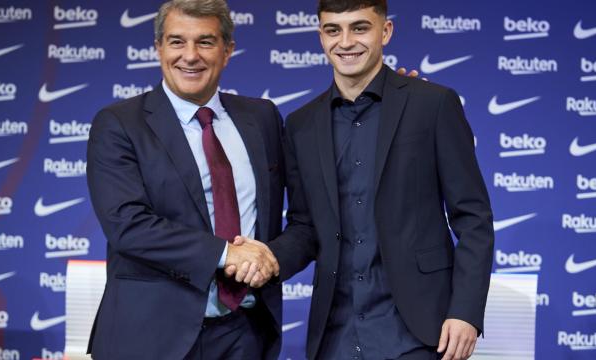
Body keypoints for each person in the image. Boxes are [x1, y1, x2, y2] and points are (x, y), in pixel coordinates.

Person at [234, 1, 495, 359]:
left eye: (359, 28)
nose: (345, 42)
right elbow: (305, 227)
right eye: (333, 30)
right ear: (320, 37)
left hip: (418, 333)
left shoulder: (432, 105)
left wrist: (464, 312)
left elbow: (474, 218)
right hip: (335, 335)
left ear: (384, 31)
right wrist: (269, 257)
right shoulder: (300, 125)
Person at [85, 0, 283, 358]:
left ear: (228, 50)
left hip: (245, 334)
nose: (190, 56)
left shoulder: (263, 118)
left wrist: (391, 102)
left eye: (205, 42)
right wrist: (227, 254)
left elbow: (310, 200)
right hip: (151, 337)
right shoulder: (119, 124)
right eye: (177, 42)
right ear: (158, 47)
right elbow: (127, 226)